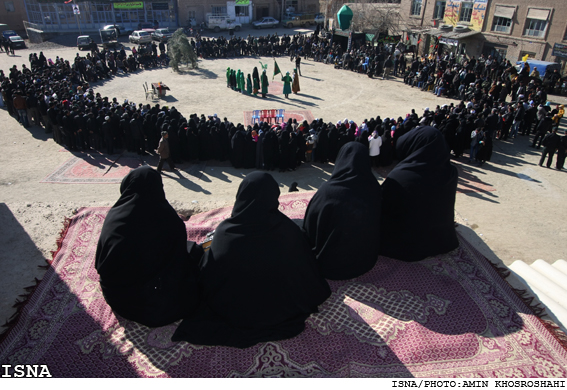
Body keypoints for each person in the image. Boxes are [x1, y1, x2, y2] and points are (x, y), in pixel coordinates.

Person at [172, 172, 331, 348]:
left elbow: (210, 277)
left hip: (233, 313)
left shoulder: (225, 234)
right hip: (282, 312)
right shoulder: (289, 232)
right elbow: (305, 271)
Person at [95, 166, 202, 328]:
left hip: (119, 298)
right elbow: (178, 259)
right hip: (161, 304)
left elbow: (102, 263)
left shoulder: (115, 216)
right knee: (195, 253)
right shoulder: (169, 219)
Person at [303, 142, 382, 280]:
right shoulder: (374, 188)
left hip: (331, 266)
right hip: (366, 261)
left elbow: (310, 228)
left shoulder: (327, 192)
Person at [379, 126, 459, 262]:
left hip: (406, 244)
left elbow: (382, 206)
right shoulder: (450, 172)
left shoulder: (400, 177)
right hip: (441, 238)